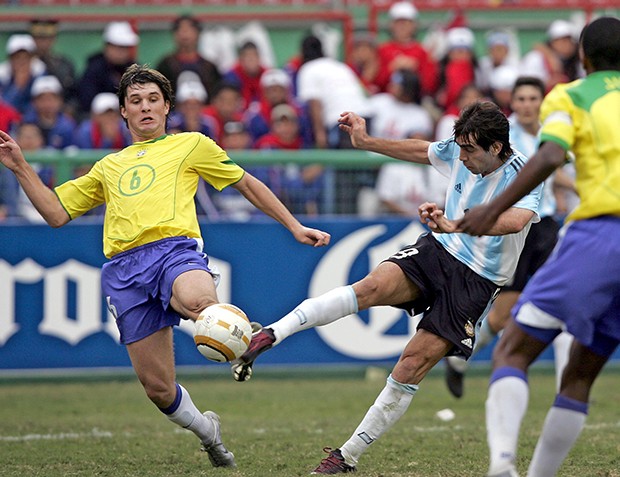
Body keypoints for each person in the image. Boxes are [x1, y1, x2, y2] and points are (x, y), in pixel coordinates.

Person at [0, 63, 330, 468]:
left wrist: (294, 225)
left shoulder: (191, 144)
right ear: (123, 111)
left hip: (174, 251)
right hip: (124, 271)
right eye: (135, 101)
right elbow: (54, 212)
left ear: (167, 106)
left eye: (153, 100)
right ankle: (208, 431)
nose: (145, 107)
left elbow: (246, 183)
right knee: (158, 389)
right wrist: (19, 165)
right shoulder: (107, 166)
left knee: (198, 299)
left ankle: (239, 336)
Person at [231, 101, 542, 474]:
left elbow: (516, 220)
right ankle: (270, 334)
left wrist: (456, 223)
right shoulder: (461, 151)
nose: (460, 157)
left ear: (495, 148)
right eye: (458, 148)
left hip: (477, 281)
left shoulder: (524, 173)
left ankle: (345, 456)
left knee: (411, 364)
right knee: (369, 288)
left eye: (469, 151)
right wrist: (366, 142)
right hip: (438, 250)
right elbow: (422, 150)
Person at [457, 17, 620, 477]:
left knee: (512, 349)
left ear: (582, 57)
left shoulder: (572, 95)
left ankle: (503, 466)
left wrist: (491, 210)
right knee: (582, 373)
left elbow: (551, 154)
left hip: (603, 234)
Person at [444, 76, 574, 398]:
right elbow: (542, 170)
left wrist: (564, 191)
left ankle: (563, 385)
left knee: (563, 302)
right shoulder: (503, 137)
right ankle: (463, 359)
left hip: (545, 226)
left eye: (534, 98)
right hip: (516, 229)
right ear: (512, 104)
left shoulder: (552, 129)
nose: (528, 105)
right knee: (503, 313)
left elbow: (555, 172)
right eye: (522, 99)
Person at [375, 1, 438, 97]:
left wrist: (415, 69)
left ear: (414, 25)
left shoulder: (422, 52)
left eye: (406, 23)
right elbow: (376, 82)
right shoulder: (382, 50)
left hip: (415, 101)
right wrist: (392, 68)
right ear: (391, 25)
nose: (402, 27)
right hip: (387, 100)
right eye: (398, 23)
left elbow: (430, 85)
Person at [77, 21, 139, 116]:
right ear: (108, 46)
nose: (122, 52)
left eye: (125, 48)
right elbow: (86, 101)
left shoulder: (134, 69)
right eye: (119, 47)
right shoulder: (95, 69)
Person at [155, 14, 221, 100]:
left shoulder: (209, 67)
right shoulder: (165, 65)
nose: (185, 33)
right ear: (174, 35)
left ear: (198, 34)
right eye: (180, 29)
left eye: (189, 29)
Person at [520, 19, 583, 93]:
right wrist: (547, 83)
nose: (568, 44)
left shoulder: (577, 59)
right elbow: (527, 87)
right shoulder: (536, 58)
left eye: (570, 40)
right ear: (553, 42)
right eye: (563, 40)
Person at [29, 18, 77, 111]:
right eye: (39, 38)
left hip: (59, 114)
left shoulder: (64, 64)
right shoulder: (25, 64)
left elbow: (73, 95)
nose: (43, 43)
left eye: (47, 38)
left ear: (53, 39)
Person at [23, 75, 76, 150]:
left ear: (60, 100)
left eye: (51, 99)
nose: (47, 104)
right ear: (34, 102)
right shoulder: (26, 122)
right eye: (42, 99)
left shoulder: (67, 126)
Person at [0, 34, 45, 114]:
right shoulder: (2, 76)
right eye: (17, 57)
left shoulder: (41, 73)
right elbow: (3, 109)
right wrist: (17, 87)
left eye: (26, 57)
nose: (22, 62)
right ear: (10, 59)